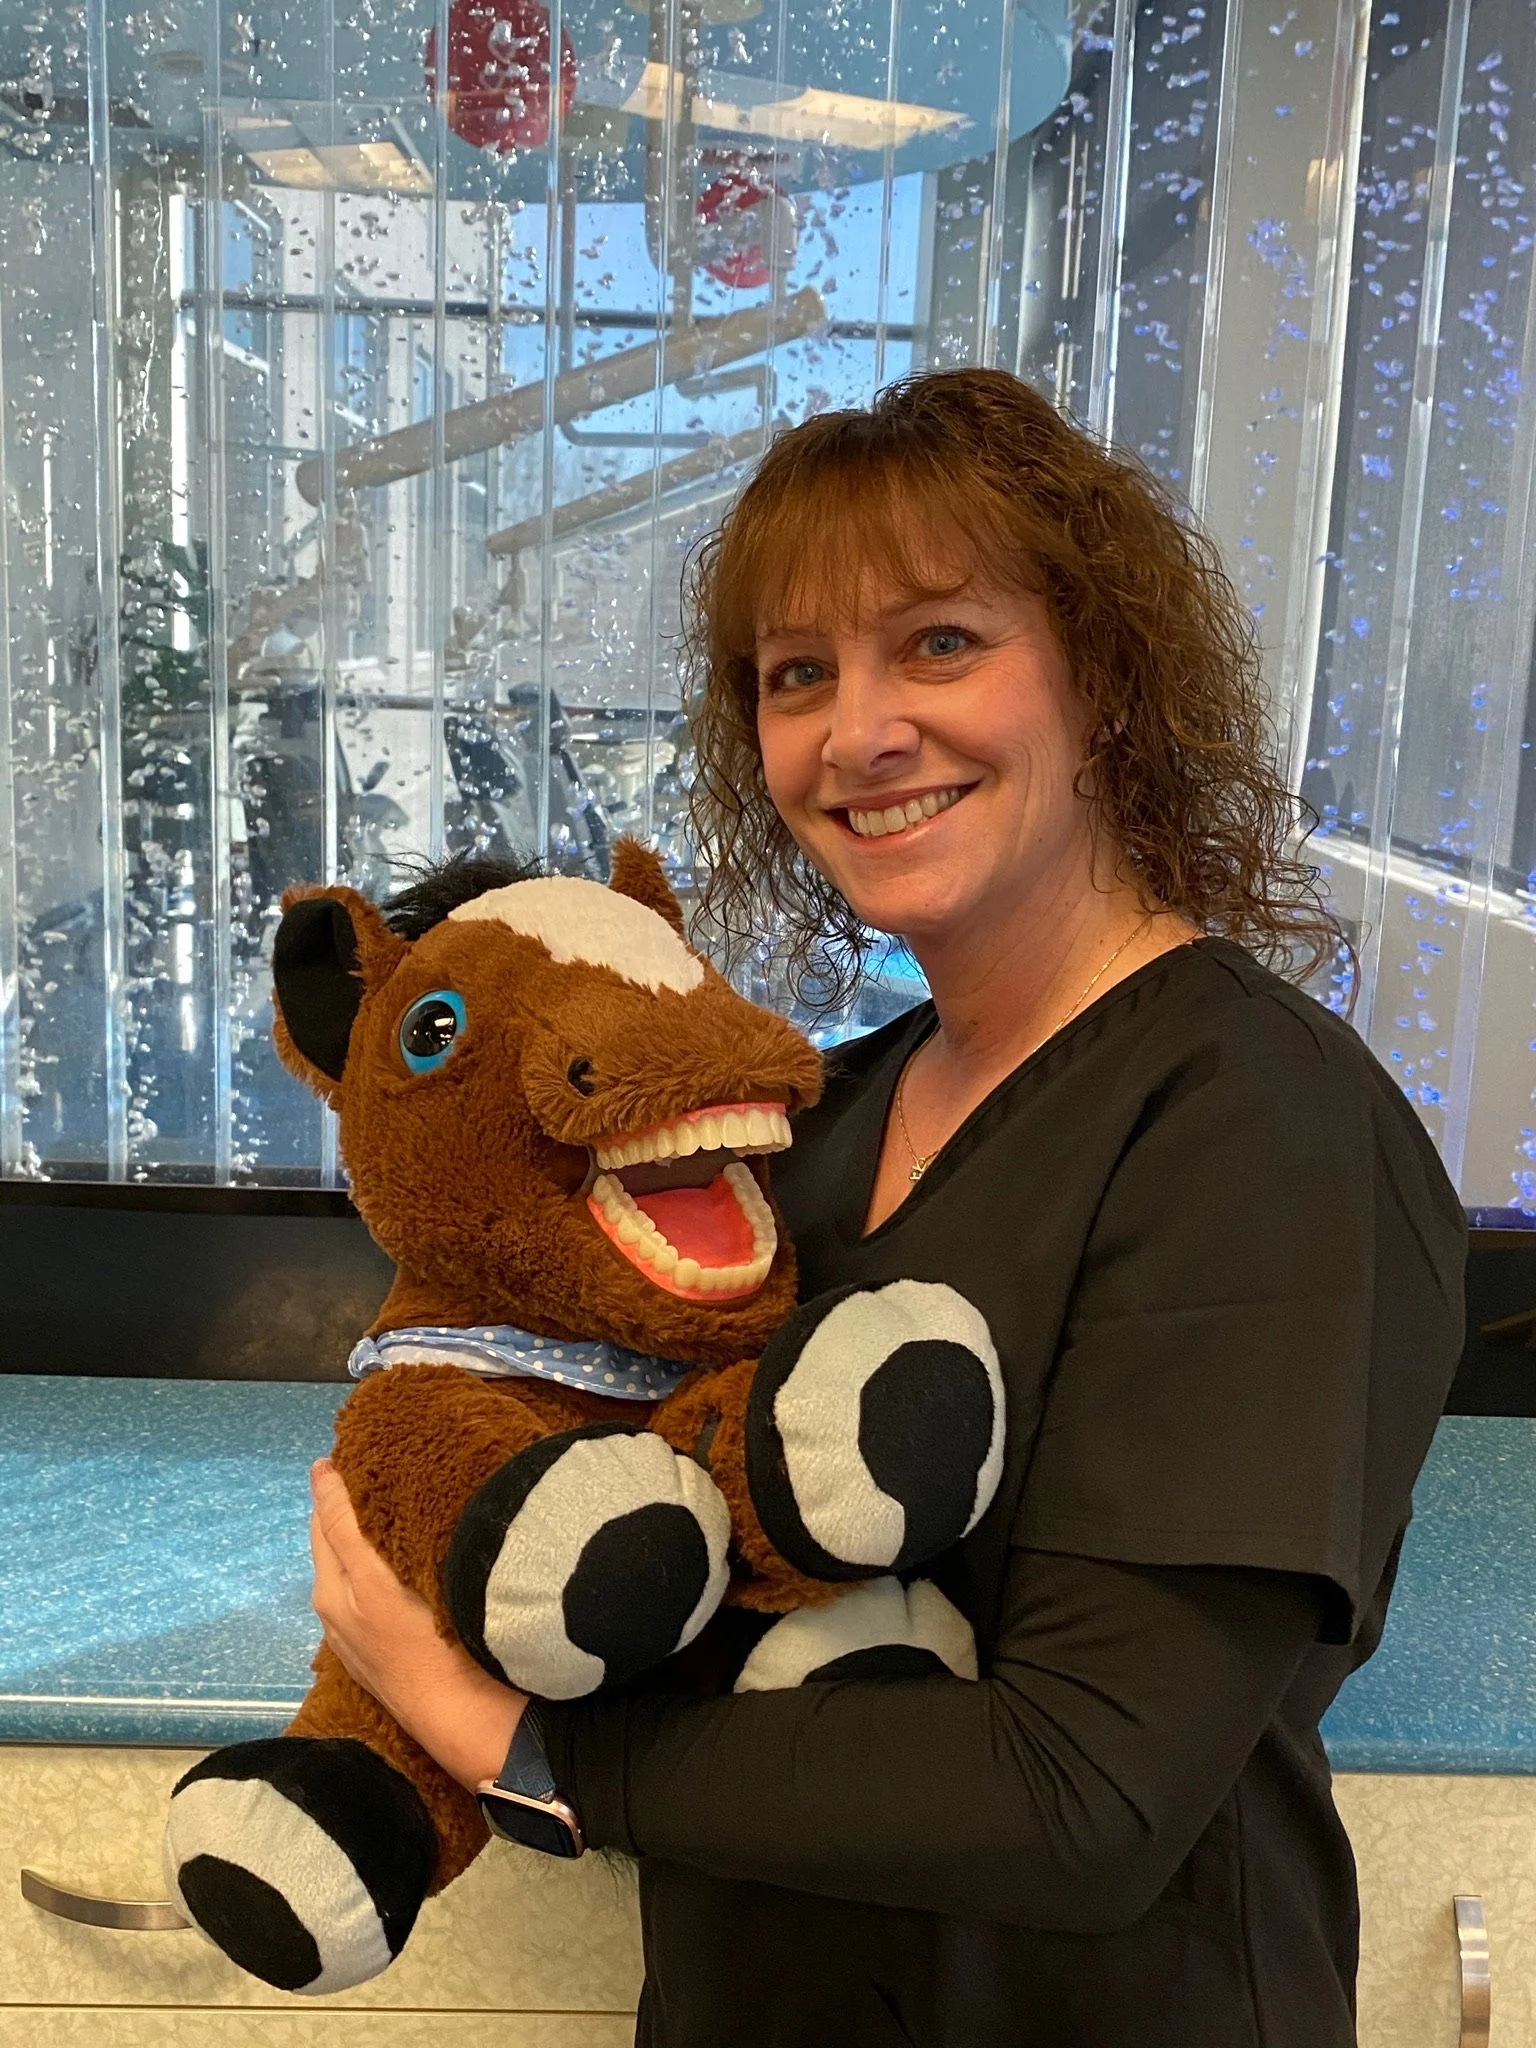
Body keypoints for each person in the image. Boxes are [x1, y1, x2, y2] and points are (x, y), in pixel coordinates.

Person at [309, 368, 1466, 2047]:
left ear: (1106, 676)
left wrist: (520, 1746)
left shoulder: (1259, 1128)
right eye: (798, 674)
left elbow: (1085, 1795)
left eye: (940, 642)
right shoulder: (821, 1121)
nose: (858, 734)